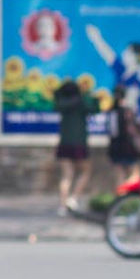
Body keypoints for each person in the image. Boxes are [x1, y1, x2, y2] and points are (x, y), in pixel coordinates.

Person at [52, 78, 91, 213]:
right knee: (85, 171)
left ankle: (63, 206)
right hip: (79, 142)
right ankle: (73, 198)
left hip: (64, 142)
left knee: (66, 175)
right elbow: (94, 107)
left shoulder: (62, 104)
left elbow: (56, 97)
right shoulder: (81, 102)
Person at [106, 86, 140, 186]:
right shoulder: (127, 111)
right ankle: (129, 197)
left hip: (115, 147)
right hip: (129, 147)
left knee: (119, 176)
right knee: (134, 174)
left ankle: (121, 197)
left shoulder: (112, 111)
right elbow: (134, 130)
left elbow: (111, 131)